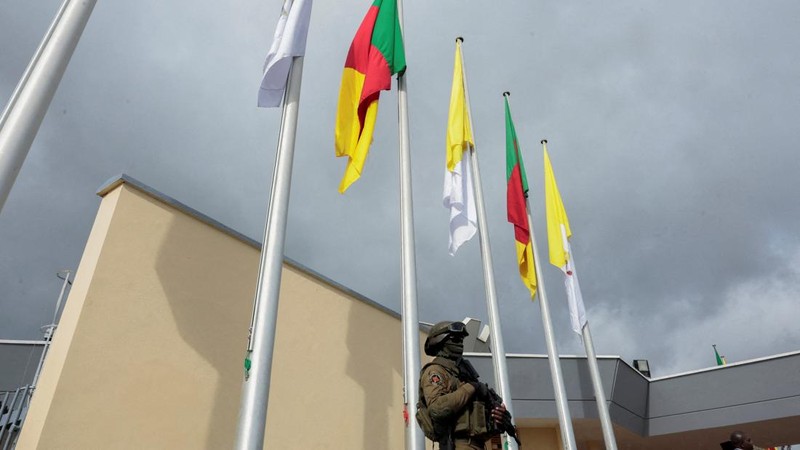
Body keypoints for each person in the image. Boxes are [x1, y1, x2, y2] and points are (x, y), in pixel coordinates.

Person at [418, 320, 515, 450]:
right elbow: (438, 408)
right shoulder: (436, 371)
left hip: (479, 444)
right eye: (455, 338)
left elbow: (493, 412)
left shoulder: (465, 374)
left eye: (461, 339)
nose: (460, 343)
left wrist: (501, 416)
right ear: (441, 341)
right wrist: (472, 387)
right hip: (457, 443)